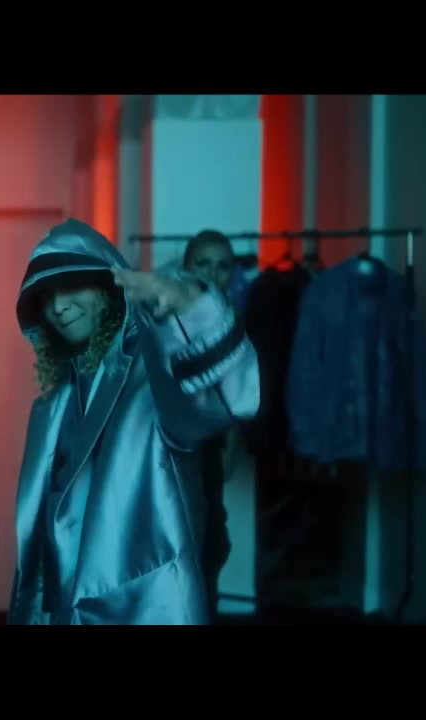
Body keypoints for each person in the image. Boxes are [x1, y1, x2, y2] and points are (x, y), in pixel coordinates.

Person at [8, 219, 259, 625]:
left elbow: (232, 398)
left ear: (108, 289)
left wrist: (193, 310)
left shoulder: (153, 376)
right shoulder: (51, 407)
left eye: (71, 288)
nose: (58, 307)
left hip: (145, 607)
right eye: (46, 297)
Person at [182, 229, 238, 622]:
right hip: (169, 453)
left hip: (209, 455)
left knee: (211, 546)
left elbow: (239, 396)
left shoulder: (234, 322)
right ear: (187, 267)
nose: (212, 275)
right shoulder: (164, 318)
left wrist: (231, 448)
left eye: (222, 266)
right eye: (203, 264)